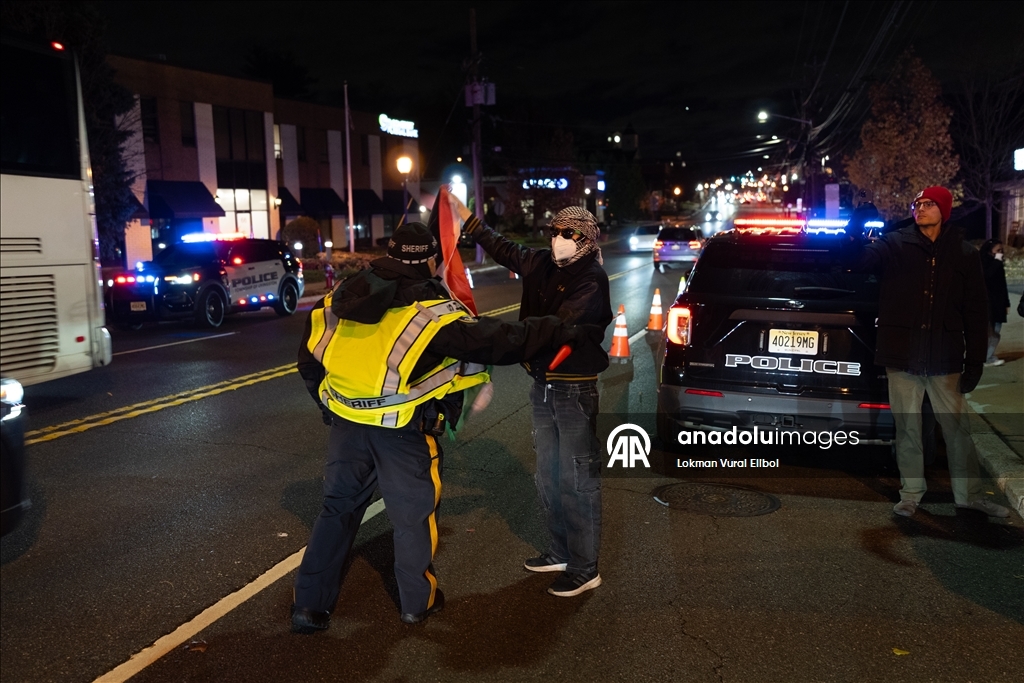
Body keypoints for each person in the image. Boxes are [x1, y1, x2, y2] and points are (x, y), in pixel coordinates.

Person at [291, 222, 602, 632]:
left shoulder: (341, 296)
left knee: (337, 510)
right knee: (412, 519)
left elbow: (309, 361)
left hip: (347, 425)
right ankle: (416, 604)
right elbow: (497, 340)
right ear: (431, 260)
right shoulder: (428, 312)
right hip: (402, 428)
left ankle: (309, 607)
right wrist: (559, 328)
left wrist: (329, 407)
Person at [463, 206, 613, 597]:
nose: (556, 239)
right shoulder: (542, 263)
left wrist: (493, 337)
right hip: (543, 384)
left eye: (566, 233)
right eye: (553, 231)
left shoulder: (591, 279)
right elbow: (505, 249)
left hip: (573, 388)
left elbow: (554, 327)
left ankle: (585, 568)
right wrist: (471, 224)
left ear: (584, 239)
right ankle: (561, 552)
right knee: (549, 474)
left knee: (577, 478)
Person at [859, 186, 1009, 519]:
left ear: (944, 210)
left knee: (958, 431)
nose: (921, 208)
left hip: (945, 358)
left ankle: (969, 496)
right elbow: (859, 261)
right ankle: (910, 494)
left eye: (929, 204)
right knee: (908, 429)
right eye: (917, 204)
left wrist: (975, 362)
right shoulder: (895, 244)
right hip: (903, 356)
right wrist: (855, 232)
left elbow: (975, 311)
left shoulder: (964, 253)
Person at [980, 239, 1010, 366]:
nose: (1000, 252)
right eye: (998, 250)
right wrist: (997, 261)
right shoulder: (983, 262)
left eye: (1001, 250)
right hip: (987, 303)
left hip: (998, 303)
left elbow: (1002, 285)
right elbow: (987, 276)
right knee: (990, 332)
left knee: (995, 330)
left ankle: (988, 356)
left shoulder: (998, 263)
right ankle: (987, 358)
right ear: (989, 250)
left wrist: (1006, 303)